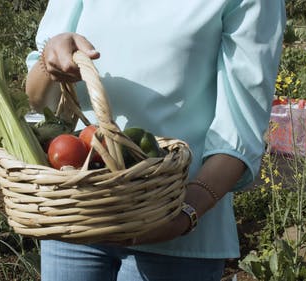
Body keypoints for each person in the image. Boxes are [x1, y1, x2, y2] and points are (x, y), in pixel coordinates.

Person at [25, 1, 286, 280]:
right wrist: (48, 61)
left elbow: (239, 130)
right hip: (77, 212)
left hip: (176, 231)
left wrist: (184, 215)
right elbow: (38, 100)